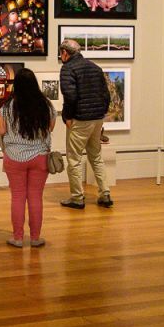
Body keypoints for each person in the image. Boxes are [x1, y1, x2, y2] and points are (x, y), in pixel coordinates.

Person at [0, 68, 56, 248]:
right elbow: (50, 127)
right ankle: (36, 238)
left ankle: (18, 238)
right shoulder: (46, 105)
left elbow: (1, 131)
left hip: (14, 157)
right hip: (40, 156)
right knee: (36, 197)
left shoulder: (8, 107)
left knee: (18, 197)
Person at [58, 39, 113, 209]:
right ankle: (105, 194)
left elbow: (70, 96)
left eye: (61, 53)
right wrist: (101, 113)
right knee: (95, 156)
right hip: (97, 119)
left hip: (80, 119)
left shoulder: (67, 68)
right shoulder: (95, 67)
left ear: (65, 53)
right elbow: (106, 95)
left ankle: (77, 197)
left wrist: (67, 116)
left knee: (74, 159)